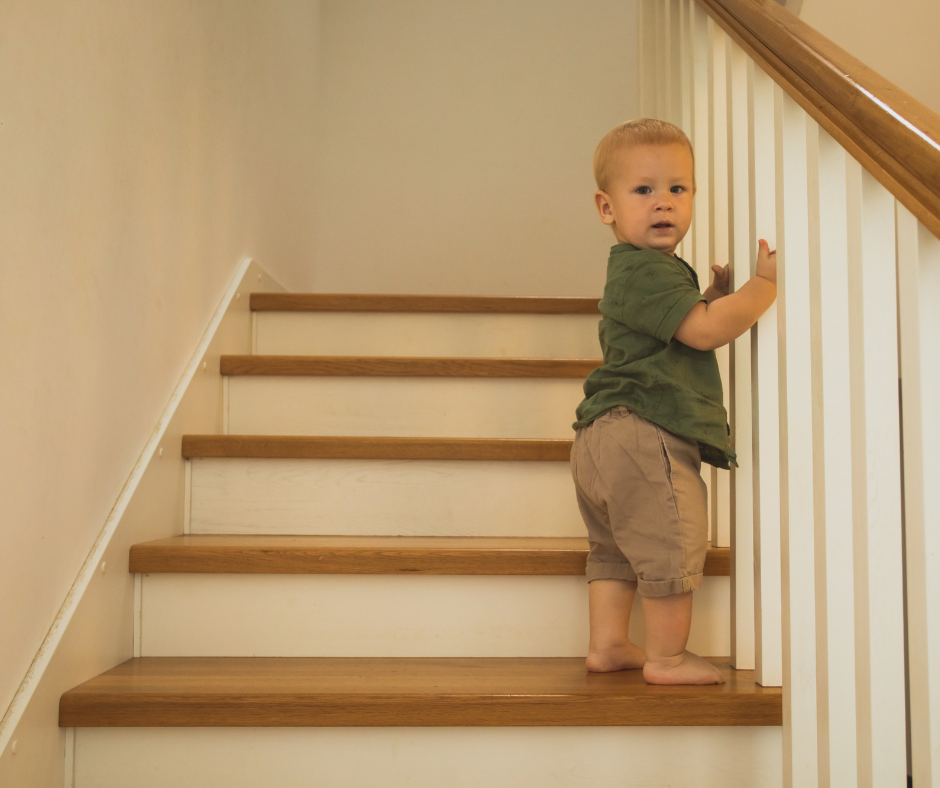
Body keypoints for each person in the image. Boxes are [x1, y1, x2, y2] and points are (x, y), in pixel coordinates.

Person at [571, 118, 777, 685]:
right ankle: (665, 657)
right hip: (645, 432)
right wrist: (762, 288)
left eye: (677, 189)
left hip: (599, 438)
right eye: (643, 191)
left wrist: (706, 297)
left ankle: (609, 644)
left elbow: (676, 328)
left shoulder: (638, 273)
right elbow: (704, 333)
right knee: (671, 539)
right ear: (606, 207)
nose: (662, 202)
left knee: (613, 549)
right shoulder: (645, 268)